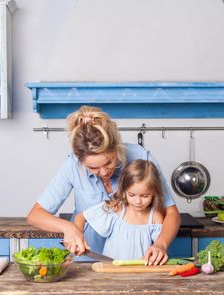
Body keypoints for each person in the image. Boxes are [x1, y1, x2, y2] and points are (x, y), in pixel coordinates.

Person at [26, 105, 180, 265]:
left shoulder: (140, 157)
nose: (104, 172)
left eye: (108, 162)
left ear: (117, 148)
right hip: (86, 259)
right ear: (80, 161)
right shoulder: (72, 166)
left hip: (138, 259)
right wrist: (68, 228)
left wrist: (160, 244)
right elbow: (35, 215)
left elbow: (172, 213)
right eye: (93, 168)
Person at [73, 160, 164, 261]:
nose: (138, 201)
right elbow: (80, 217)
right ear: (124, 191)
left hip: (140, 273)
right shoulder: (116, 208)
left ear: (154, 193)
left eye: (145, 196)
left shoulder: (155, 217)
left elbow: (158, 248)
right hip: (110, 272)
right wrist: (78, 238)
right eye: (132, 195)